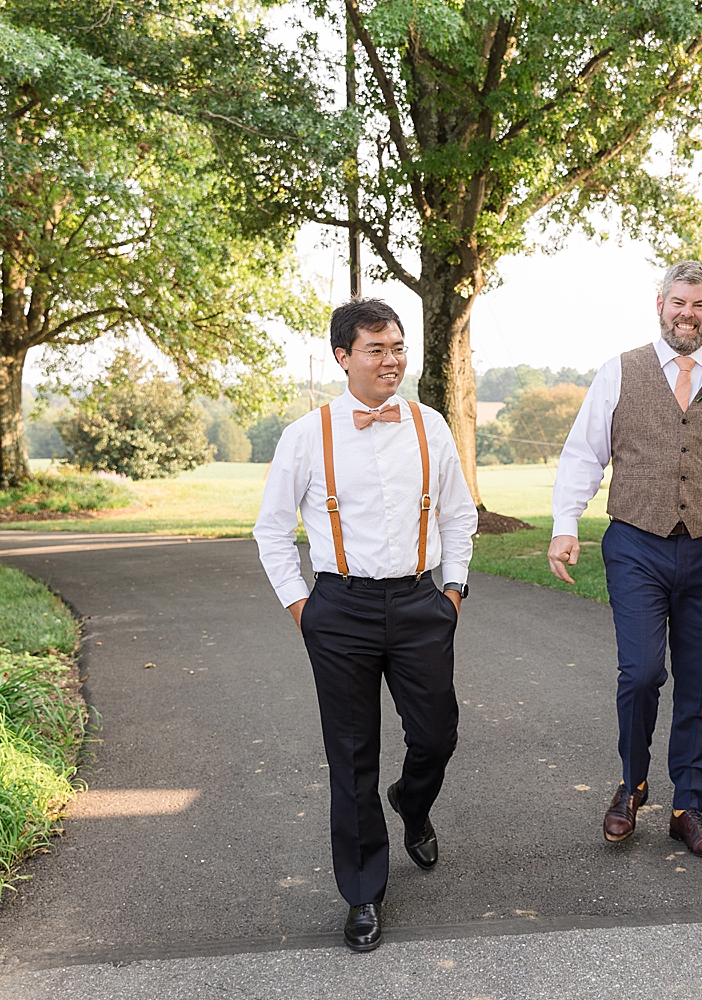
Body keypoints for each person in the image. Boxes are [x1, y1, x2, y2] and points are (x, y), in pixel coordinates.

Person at [548, 260, 702, 859]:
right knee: (640, 674)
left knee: (698, 681)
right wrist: (564, 525)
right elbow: (583, 454)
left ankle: (689, 805)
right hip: (636, 543)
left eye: (699, 306)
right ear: (659, 304)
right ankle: (631, 785)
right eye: (677, 303)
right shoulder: (620, 371)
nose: (687, 315)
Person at [253, 298, 477, 951]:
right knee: (350, 757)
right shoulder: (305, 435)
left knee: (437, 734)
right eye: (377, 349)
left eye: (398, 347)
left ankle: (412, 800)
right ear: (343, 357)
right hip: (339, 610)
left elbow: (459, 516)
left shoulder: (429, 425)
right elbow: (270, 531)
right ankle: (363, 894)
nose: (392, 360)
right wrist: (303, 608)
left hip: (419, 603)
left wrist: (454, 591)